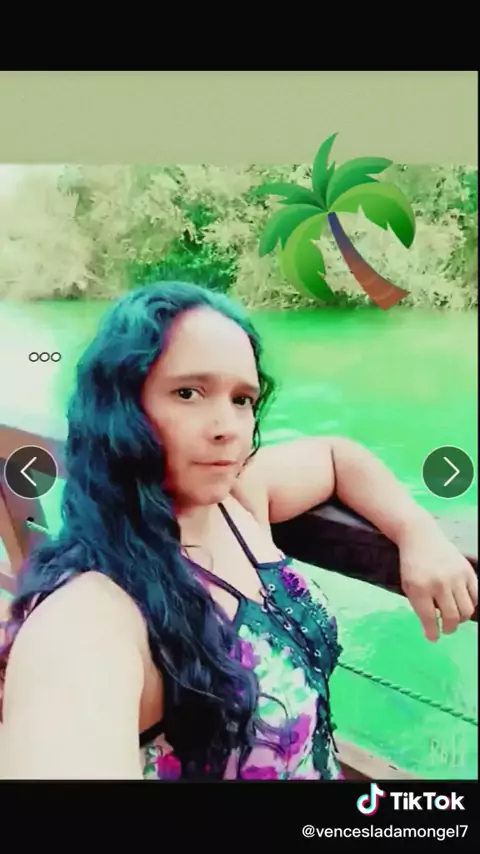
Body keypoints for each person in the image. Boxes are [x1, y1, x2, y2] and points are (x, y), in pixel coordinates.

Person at [0, 281, 476, 780]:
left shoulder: (238, 501)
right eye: (188, 393)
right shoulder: (89, 618)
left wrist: (417, 533)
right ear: (118, 407)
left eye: (242, 399)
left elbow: (337, 456)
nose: (227, 427)